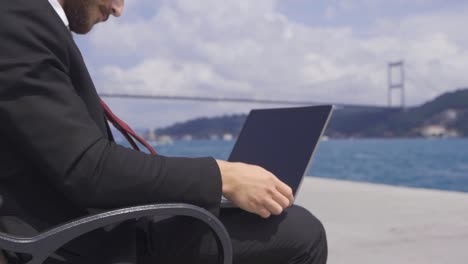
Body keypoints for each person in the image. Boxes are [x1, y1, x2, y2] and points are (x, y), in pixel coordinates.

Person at [0, 0, 328, 263]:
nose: (118, 9)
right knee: (300, 232)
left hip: (87, 226)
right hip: (84, 242)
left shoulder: (30, 21)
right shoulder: (20, 20)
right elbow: (89, 169)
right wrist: (223, 176)